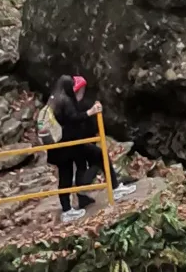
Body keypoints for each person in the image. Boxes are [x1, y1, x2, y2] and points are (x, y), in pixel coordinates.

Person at [45, 74, 136, 223]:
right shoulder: (66, 101)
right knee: (100, 156)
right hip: (69, 144)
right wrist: (91, 112)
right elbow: (73, 118)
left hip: (58, 146)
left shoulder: (53, 100)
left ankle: (67, 210)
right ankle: (115, 188)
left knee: (65, 176)